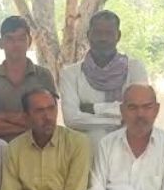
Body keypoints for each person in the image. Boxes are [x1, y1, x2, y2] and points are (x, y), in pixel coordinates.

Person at [59, 10, 150, 149]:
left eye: (109, 33)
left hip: (128, 150)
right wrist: (118, 119)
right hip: (87, 152)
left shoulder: (134, 68)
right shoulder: (70, 73)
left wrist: (94, 108)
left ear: (118, 36)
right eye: (98, 33)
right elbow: (71, 119)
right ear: (89, 35)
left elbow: (139, 112)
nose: (103, 38)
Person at [0, 16, 58, 142]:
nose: (16, 44)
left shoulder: (43, 75)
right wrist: (26, 121)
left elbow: (48, 121)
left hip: (35, 148)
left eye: (21, 39)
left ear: (30, 41)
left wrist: (2, 116)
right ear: (0, 43)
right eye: (10, 39)